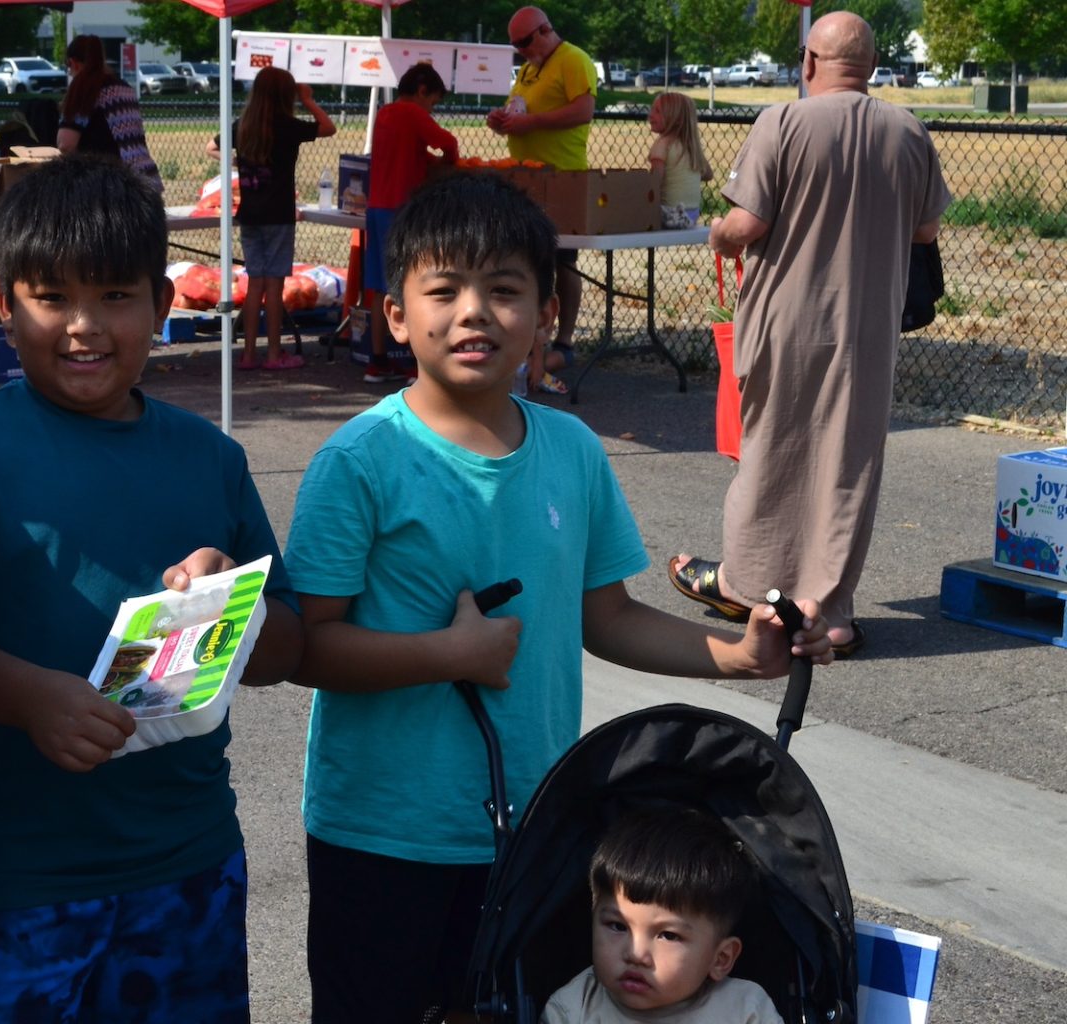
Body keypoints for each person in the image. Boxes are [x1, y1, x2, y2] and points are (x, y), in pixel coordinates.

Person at [281, 173, 831, 1024]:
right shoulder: (359, 462)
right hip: (382, 832)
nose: (474, 313)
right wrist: (447, 655)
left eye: (504, 291)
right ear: (395, 314)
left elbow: (606, 616)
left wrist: (737, 655)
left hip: (536, 831)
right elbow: (307, 648)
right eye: (444, 290)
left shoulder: (572, 451)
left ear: (546, 316)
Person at [0, 155, 304, 1022]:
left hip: (187, 866)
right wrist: (28, 697)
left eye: (117, 296)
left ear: (163, 306)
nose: (84, 326)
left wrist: (225, 598)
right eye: (51, 296)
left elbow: (288, 646)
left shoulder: (213, 462)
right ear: (6, 306)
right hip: (7, 879)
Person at [669, 11, 949, 660]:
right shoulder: (908, 130)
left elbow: (745, 224)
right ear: (872, 67)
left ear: (809, 61)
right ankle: (832, 612)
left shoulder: (784, 122)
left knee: (770, 448)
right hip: (868, 328)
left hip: (786, 321)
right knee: (848, 463)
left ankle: (747, 586)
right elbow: (927, 232)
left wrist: (715, 233)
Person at [542, 807, 780, 1023]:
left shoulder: (745, 1010)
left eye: (667, 935)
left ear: (720, 959)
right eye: (617, 926)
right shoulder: (574, 1009)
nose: (636, 954)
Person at [487, 6, 596, 396]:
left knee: (562, 258)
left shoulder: (573, 59)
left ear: (544, 30)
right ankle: (531, 343)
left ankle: (563, 342)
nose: (520, 50)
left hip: (562, 174)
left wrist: (530, 123)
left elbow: (584, 110)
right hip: (527, 173)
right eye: (514, 45)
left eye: (524, 42)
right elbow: (522, 109)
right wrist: (502, 120)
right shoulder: (531, 68)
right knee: (530, 257)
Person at [204, 66, 336, 371]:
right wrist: (308, 100)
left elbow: (211, 147)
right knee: (273, 287)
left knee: (255, 285)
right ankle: (275, 354)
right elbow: (328, 128)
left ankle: (249, 354)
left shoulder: (244, 125)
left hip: (250, 215)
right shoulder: (287, 126)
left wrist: (235, 160)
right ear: (286, 95)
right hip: (278, 216)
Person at [360, 61, 458, 384]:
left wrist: (427, 161)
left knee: (377, 287)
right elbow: (449, 143)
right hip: (400, 209)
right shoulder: (414, 114)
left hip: (376, 207)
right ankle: (418, 367)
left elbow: (405, 152)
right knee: (410, 284)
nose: (432, 110)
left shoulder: (386, 113)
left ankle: (377, 360)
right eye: (433, 103)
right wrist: (449, 168)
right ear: (422, 91)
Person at [57, 34, 162, 192]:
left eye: (68, 65)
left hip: (110, 187)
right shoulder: (125, 88)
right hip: (146, 181)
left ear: (73, 63)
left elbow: (66, 143)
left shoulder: (83, 88)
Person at [647, 92, 711, 230]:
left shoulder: (662, 144)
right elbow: (708, 175)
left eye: (657, 111)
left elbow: (654, 182)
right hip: (692, 215)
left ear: (675, 119)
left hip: (669, 215)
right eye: (652, 109)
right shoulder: (691, 146)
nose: (650, 115)